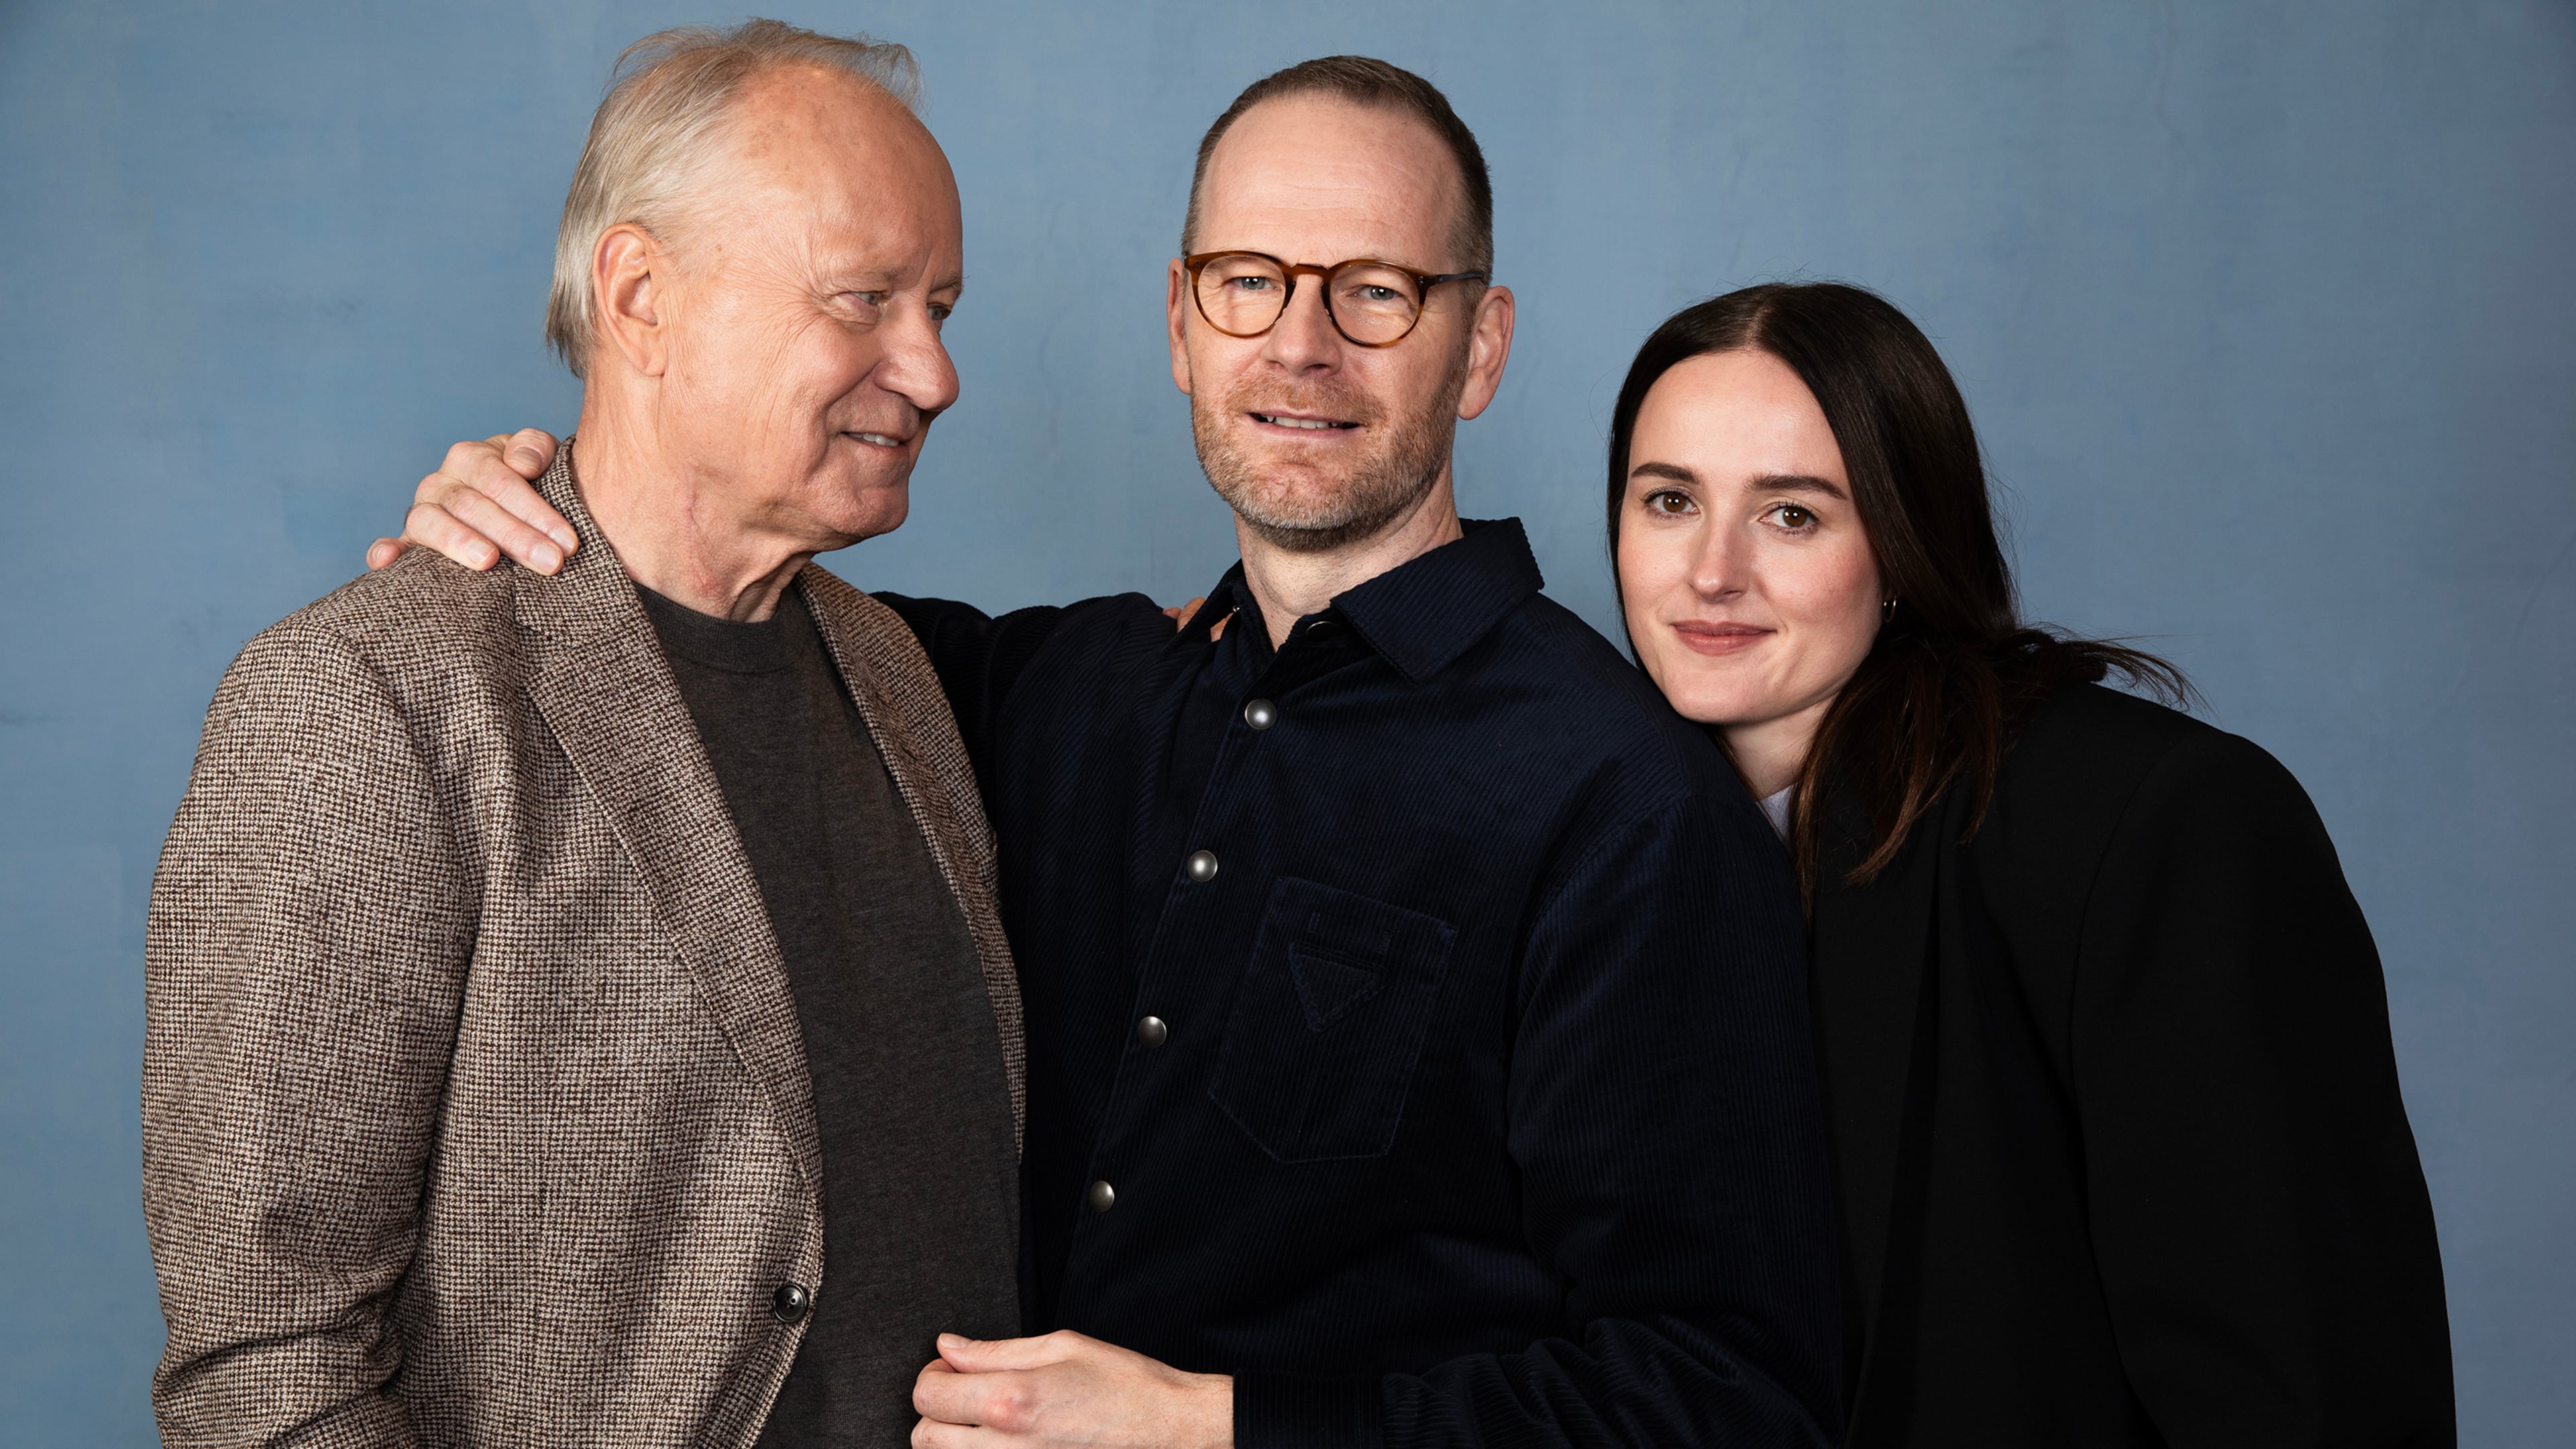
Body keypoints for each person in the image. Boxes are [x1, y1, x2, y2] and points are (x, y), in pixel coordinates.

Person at [373, 56, 1847, 1449]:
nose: (1300, 345)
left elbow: (1726, 1393)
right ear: (1180, 322)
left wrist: (1212, 1431)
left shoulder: (1625, 802)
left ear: (1482, 346)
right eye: (1249, 282)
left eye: (1379, 293)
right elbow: (716, 583)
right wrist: (540, 508)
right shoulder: (1034, 691)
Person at [143, 23, 1026, 1445]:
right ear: (640, 298)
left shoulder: (900, 671)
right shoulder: (364, 701)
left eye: (942, 305)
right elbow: (268, 1370)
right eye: (863, 298)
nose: (932, 372)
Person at [1606, 281, 2455, 1446]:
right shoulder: (1594, 843)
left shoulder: (2157, 822)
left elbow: (2310, 1390)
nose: (1712, 572)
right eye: (1668, 501)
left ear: (1901, 546)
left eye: (1793, 515)